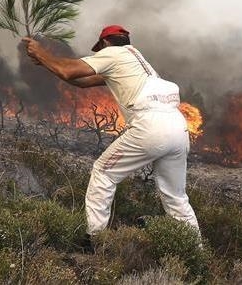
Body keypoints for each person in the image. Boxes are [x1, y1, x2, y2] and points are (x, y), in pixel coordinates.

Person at [22, 25, 200, 237]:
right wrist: (46, 62)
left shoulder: (113, 54)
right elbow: (79, 81)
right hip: (178, 128)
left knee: (103, 172)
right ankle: (195, 251)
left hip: (151, 126)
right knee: (176, 196)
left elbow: (69, 70)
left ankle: (94, 238)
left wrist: (40, 52)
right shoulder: (137, 61)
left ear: (105, 43)